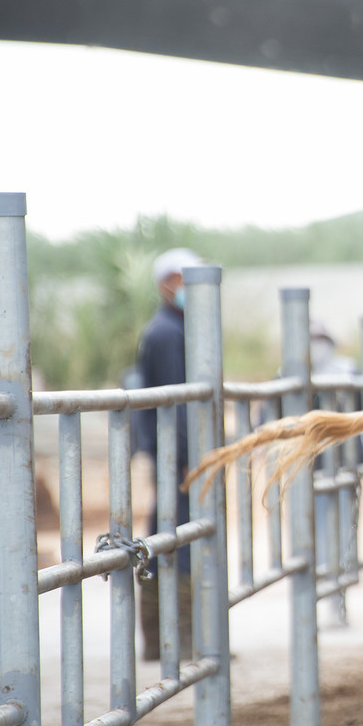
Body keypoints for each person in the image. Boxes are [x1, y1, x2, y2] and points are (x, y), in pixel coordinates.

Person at [133, 247, 202, 660]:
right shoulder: (166, 333)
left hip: (176, 452)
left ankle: (168, 638)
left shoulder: (177, 328)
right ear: (166, 284)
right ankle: (174, 639)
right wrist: (187, 455)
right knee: (177, 536)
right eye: (183, 279)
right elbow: (176, 401)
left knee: (178, 532)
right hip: (177, 455)